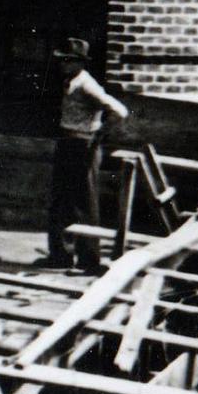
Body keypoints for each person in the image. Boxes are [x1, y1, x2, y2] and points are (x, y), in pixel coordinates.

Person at [46, 37, 128, 270]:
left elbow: (119, 110)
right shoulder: (69, 81)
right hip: (67, 141)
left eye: (69, 61)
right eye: (62, 60)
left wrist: (100, 132)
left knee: (84, 201)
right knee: (60, 199)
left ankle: (89, 259)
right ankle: (60, 255)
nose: (63, 64)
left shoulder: (86, 84)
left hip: (83, 145)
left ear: (80, 63)